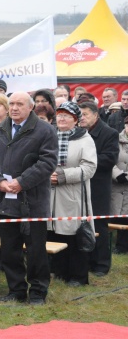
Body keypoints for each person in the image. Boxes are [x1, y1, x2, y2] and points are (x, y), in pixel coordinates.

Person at [0, 92, 58, 305]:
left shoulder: (45, 130)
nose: (14, 107)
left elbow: (47, 162)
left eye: (19, 104)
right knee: (9, 250)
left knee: (35, 250)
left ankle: (37, 292)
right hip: (6, 200)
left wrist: (21, 182)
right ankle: (16, 290)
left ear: (31, 107)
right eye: (12, 104)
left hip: (33, 201)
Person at [48, 102, 97, 286]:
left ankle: (78, 276)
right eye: (59, 114)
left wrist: (63, 176)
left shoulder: (85, 139)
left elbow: (89, 168)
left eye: (66, 115)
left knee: (74, 235)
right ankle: (60, 272)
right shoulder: (49, 136)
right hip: (50, 194)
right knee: (55, 233)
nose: (61, 118)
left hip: (73, 194)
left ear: (75, 120)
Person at [78, 101, 119, 277]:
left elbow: (110, 159)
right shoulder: (77, 133)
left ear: (96, 115)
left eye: (85, 114)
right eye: (79, 115)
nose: (82, 118)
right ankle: (84, 260)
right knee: (81, 223)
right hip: (79, 185)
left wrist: (87, 164)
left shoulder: (109, 133)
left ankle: (101, 264)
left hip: (98, 185)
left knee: (99, 224)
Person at [111, 115, 128, 254]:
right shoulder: (115, 139)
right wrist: (117, 174)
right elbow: (109, 159)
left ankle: (123, 246)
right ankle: (113, 245)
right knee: (116, 214)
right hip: (116, 184)